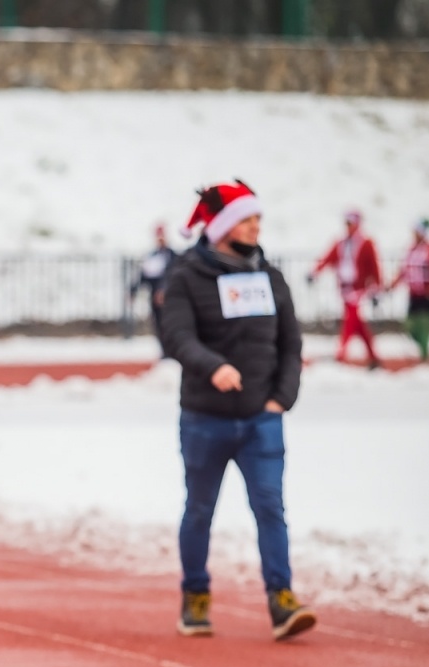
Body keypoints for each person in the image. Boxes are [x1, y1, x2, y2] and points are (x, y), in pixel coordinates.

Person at [161, 180, 315, 642]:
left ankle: (282, 599)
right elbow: (177, 337)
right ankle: (196, 595)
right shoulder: (186, 276)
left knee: (271, 508)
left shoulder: (270, 277)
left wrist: (280, 398)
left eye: (257, 219)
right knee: (200, 509)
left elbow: (292, 344)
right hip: (204, 419)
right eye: (247, 219)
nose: (255, 226)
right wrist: (213, 367)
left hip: (261, 419)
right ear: (225, 225)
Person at [310, 209, 383, 369]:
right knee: (358, 324)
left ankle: (340, 355)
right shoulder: (341, 243)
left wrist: (377, 289)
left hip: (358, 289)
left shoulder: (366, 243)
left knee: (350, 319)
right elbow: (328, 258)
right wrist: (314, 272)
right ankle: (373, 357)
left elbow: (374, 267)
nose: (347, 226)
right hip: (344, 288)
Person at [390, 219, 429, 362]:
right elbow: (405, 270)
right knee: (410, 325)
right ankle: (422, 349)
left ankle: (425, 356)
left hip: (427, 294)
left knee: (424, 324)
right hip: (414, 294)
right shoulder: (411, 250)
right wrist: (394, 283)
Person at [134, 224, 178, 354]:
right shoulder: (152, 256)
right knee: (158, 324)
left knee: (171, 324)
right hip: (154, 297)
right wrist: (133, 291)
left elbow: (174, 275)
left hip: (170, 297)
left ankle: (172, 351)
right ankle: (164, 351)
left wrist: (164, 290)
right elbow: (144, 276)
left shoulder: (173, 256)